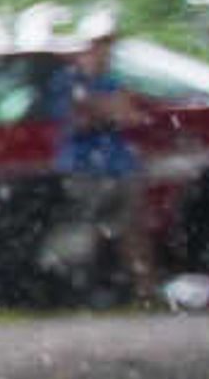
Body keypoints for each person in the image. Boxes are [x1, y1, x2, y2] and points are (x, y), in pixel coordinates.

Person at [40, 29, 158, 302]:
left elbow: (127, 114)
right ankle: (79, 289)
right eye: (99, 50)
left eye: (107, 52)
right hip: (84, 167)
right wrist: (108, 110)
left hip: (118, 165)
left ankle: (142, 289)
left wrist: (108, 109)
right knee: (85, 227)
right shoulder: (67, 82)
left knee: (130, 230)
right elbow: (83, 117)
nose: (104, 57)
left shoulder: (110, 82)